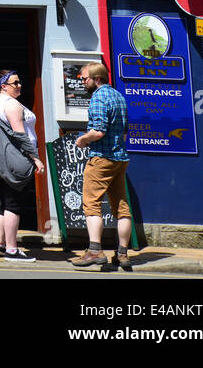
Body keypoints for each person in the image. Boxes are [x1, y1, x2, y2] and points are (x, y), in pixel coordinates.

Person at [72, 63, 133, 270]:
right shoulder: (119, 96)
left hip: (101, 158)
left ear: (97, 79)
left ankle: (95, 250)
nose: (82, 82)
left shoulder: (99, 97)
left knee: (91, 203)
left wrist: (83, 140)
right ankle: (123, 254)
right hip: (120, 158)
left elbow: (98, 131)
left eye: (85, 79)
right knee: (122, 207)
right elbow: (124, 132)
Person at [0, 70, 44, 263]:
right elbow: (20, 135)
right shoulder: (11, 104)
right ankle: (12, 250)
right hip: (14, 160)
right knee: (13, 204)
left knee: (4, 201)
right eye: (14, 83)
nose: (19, 85)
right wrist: (35, 158)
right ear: (3, 86)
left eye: (19, 82)